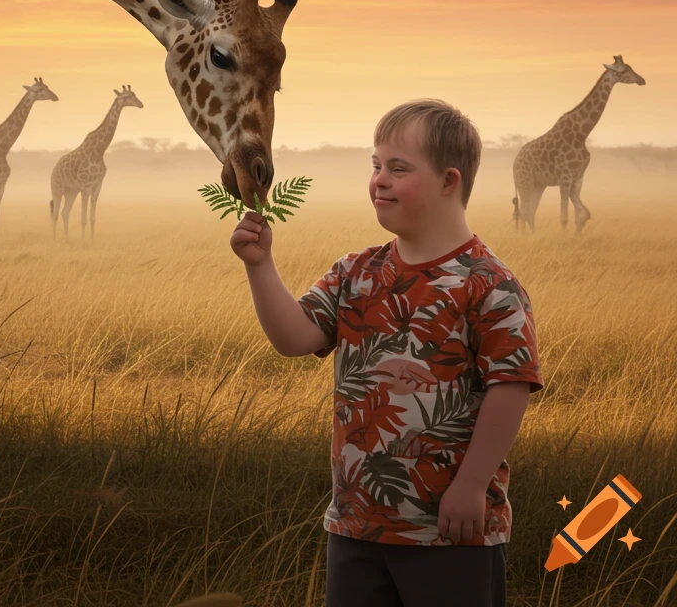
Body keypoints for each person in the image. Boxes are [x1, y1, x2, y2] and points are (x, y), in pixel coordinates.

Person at [230, 99, 543, 607]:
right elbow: (295, 338)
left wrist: (471, 485)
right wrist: (260, 265)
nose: (379, 179)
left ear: (449, 181)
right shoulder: (354, 271)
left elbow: (511, 387)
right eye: (376, 165)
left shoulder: (490, 284)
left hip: (449, 529)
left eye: (399, 168)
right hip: (355, 524)